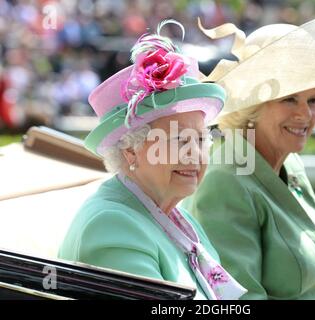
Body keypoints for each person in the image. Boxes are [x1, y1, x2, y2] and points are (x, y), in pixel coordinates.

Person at [181, 13, 315, 300]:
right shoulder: (225, 182)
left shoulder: (288, 162)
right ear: (251, 106)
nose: (305, 114)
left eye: (313, 100)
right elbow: (239, 301)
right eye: (289, 99)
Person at [58, 20, 246, 300]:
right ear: (130, 150)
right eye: (179, 140)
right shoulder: (112, 226)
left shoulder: (179, 219)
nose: (194, 153)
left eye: (201, 140)